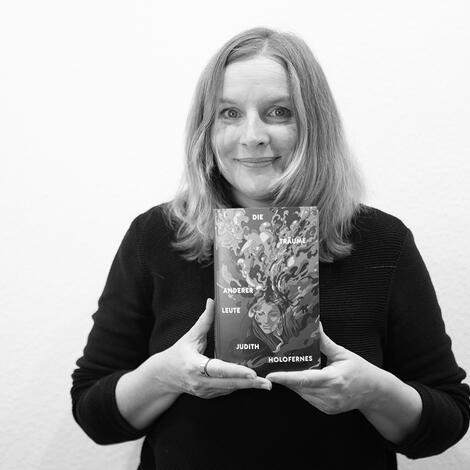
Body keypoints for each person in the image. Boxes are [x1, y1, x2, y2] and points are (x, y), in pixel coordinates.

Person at [71, 27, 470, 469]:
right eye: (229, 113)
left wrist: (372, 391)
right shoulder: (156, 235)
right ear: (206, 129)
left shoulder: (382, 241)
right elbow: (94, 414)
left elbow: (447, 420)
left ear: (314, 123)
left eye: (278, 112)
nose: (252, 135)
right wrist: (166, 376)